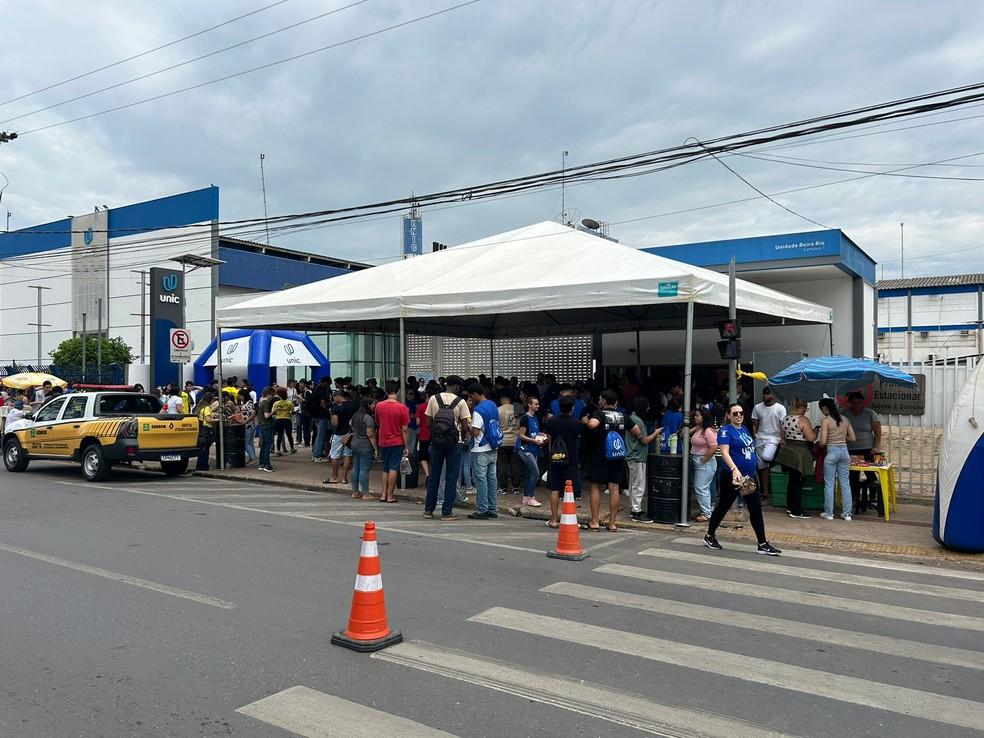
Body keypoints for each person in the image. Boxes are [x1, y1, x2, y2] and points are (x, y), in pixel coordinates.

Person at [704, 403, 782, 555]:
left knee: (755, 508)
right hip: (733, 477)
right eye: (735, 413)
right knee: (723, 506)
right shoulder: (726, 431)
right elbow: (725, 452)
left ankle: (762, 543)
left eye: (741, 413)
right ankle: (709, 535)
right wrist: (734, 469)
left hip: (747, 477)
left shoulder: (744, 429)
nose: (738, 416)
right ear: (728, 415)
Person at [584, 389, 636, 531]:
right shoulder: (623, 416)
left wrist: (586, 421)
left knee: (595, 486)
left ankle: (595, 521)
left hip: (600, 455)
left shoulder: (599, 413)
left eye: (600, 399)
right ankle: (612, 523)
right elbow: (637, 431)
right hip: (617, 456)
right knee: (614, 488)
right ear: (617, 403)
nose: (599, 401)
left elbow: (592, 425)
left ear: (605, 402)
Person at [424, 375, 471, 521]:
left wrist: (437, 434)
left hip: (437, 442)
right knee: (451, 477)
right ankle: (446, 512)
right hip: (454, 444)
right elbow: (464, 425)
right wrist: (460, 437)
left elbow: (428, 422)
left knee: (434, 477)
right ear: (457, 386)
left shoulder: (433, 399)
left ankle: (428, 510)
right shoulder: (461, 402)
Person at [542, 395, 586, 528]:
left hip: (555, 458)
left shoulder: (551, 421)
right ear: (572, 408)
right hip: (571, 459)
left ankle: (554, 520)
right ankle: (571, 518)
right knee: (569, 490)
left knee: (554, 488)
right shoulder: (578, 423)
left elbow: (548, 439)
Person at [775, 398, 816, 519]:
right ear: (801, 407)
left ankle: (790, 506)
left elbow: (782, 437)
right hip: (801, 453)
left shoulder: (785, 419)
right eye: (806, 408)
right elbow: (811, 438)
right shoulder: (803, 420)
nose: (806, 411)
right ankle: (797, 510)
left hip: (788, 452)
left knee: (792, 481)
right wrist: (816, 431)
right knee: (798, 482)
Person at [818, 397, 856, 521]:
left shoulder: (826, 421)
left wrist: (819, 443)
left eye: (822, 409)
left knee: (829, 484)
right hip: (844, 452)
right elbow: (853, 438)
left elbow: (823, 442)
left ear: (825, 408)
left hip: (832, 452)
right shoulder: (845, 419)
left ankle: (829, 513)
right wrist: (842, 438)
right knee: (845, 483)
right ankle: (847, 514)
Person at [845, 391, 883, 515]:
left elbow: (877, 432)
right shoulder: (844, 414)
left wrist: (875, 447)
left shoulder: (870, 414)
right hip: (850, 449)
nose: (856, 405)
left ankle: (872, 499)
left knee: (871, 475)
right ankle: (854, 498)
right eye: (853, 403)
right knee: (853, 475)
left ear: (863, 403)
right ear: (849, 403)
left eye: (859, 403)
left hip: (867, 449)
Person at [625, 397, 662, 522]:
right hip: (638, 456)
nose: (648, 409)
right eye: (646, 406)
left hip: (632, 456)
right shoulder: (638, 421)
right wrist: (656, 432)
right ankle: (637, 511)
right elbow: (644, 440)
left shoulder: (631, 418)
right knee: (639, 485)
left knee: (633, 483)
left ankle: (634, 508)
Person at [467, 383, 500, 520]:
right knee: (492, 479)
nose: (470, 399)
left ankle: (482, 510)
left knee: (481, 480)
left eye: (470, 396)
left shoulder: (478, 410)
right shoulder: (493, 405)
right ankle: (492, 508)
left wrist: (468, 426)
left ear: (475, 394)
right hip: (493, 447)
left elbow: (475, 432)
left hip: (480, 448)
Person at [374, 380, 410, 504]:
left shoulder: (379, 406)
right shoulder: (402, 408)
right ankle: (390, 495)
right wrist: (406, 446)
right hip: (397, 441)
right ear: (398, 391)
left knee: (385, 468)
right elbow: (404, 429)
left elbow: (378, 422)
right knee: (394, 468)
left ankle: (383, 494)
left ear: (386, 391)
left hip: (383, 440)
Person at [751, 386, 787, 501]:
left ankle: (776, 463)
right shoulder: (757, 407)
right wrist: (755, 435)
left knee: (767, 457)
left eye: (767, 393)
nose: (765, 396)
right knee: (762, 467)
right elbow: (755, 423)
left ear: (773, 395)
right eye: (764, 393)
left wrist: (782, 439)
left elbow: (783, 425)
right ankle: (765, 492)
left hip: (774, 438)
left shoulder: (780, 408)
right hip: (760, 438)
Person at [689, 408, 718, 522]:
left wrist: (703, 460)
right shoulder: (699, 428)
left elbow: (714, 447)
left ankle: (706, 513)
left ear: (704, 417)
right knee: (703, 488)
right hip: (698, 460)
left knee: (700, 487)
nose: (695, 417)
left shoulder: (708, 431)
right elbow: (684, 433)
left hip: (705, 462)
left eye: (698, 416)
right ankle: (705, 510)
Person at [515, 396, 545, 508]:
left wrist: (541, 435)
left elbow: (533, 432)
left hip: (534, 448)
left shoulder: (535, 417)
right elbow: (521, 434)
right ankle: (531, 496)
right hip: (526, 449)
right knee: (535, 473)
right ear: (529, 405)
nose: (537, 406)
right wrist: (534, 440)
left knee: (529, 473)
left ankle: (526, 497)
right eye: (535, 404)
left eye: (538, 404)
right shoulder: (525, 418)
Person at [349, 396, 378, 500]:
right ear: (368, 405)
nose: (374, 406)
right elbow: (370, 435)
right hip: (365, 445)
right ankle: (365, 493)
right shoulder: (368, 418)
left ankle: (355, 491)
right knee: (364, 469)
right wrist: (375, 448)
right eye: (373, 404)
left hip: (354, 443)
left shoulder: (355, 416)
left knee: (355, 468)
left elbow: (351, 426)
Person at [496, 390, 521, 495]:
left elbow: (495, 426)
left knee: (502, 465)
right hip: (515, 440)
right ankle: (516, 487)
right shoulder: (518, 409)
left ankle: (503, 487)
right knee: (515, 464)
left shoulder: (498, 410)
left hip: (503, 441)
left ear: (502, 399)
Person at [310, 377, 332, 462]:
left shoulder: (315, 389)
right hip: (322, 415)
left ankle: (315, 454)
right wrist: (327, 411)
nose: (328, 386)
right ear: (325, 382)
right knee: (321, 436)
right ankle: (317, 456)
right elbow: (323, 403)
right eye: (328, 384)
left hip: (315, 415)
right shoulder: (322, 390)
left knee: (318, 436)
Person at [416, 387, 434, 486]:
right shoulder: (437, 407)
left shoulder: (421, 407)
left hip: (423, 435)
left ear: (426, 395)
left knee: (423, 457)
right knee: (434, 457)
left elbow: (418, 422)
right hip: (434, 435)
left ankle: (427, 474)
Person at [194, 391, 216, 471]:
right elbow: (208, 419)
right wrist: (217, 420)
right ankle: (204, 465)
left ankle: (200, 465)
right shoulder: (207, 408)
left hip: (201, 429)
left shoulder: (200, 407)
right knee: (205, 449)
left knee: (202, 449)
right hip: (207, 429)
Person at [256, 386, 276, 472]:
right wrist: (274, 411)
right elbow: (266, 415)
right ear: (268, 394)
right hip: (267, 426)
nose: (272, 397)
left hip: (262, 426)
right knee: (268, 445)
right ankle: (267, 465)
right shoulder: (266, 403)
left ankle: (262, 464)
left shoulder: (261, 402)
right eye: (272, 395)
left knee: (264, 445)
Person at [271, 387, 296, 456]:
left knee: (280, 435)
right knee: (289, 435)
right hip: (287, 420)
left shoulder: (276, 403)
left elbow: (273, 412)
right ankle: (292, 448)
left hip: (278, 420)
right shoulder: (289, 403)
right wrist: (290, 412)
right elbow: (292, 411)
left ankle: (278, 451)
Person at [239, 388, 257, 465]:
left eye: (240, 396)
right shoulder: (246, 402)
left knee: (247, 443)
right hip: (248, 424)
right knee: (250, 442)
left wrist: (246, 421)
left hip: (249, 425)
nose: (239, 397)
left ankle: (253, 458)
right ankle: (252, 457)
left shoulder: (249, 403)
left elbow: (253, 413)